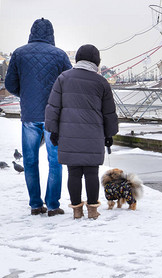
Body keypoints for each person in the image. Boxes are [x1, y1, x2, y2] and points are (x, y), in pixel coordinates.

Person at [5, 18, 72, 216]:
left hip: (29, 116)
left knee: (30, 161)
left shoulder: (19, 53)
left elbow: (10, 84)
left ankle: (35, 204)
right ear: (51, 33)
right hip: (53, 116)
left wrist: (25, 95)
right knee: (55, 161)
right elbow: (68, 83)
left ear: (32, 32)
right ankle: (52, 205)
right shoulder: (60, 55)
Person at [45, 44, 119, 220]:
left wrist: (53, 130)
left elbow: (53, 107)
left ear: (78, 59)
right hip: (93, 135)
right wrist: (109, 135)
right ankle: (93, 211)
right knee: (91, 173)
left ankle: (77, 210)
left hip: (68, 134)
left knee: (74, 173)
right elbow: (109, 113)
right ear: (96, 61)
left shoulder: (63, 78)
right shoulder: (101, 82)